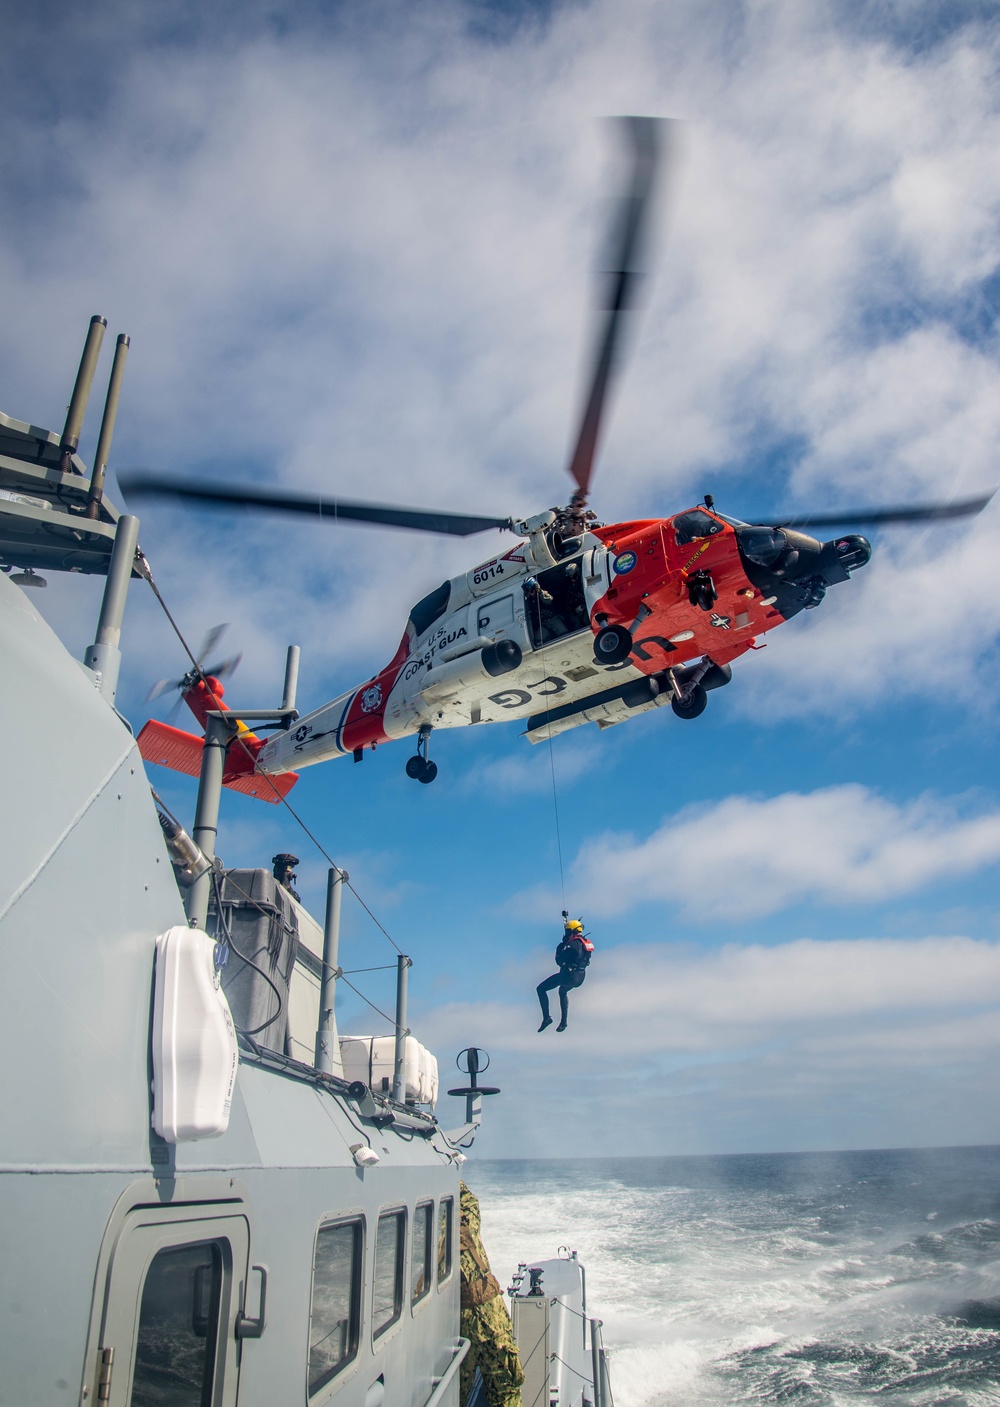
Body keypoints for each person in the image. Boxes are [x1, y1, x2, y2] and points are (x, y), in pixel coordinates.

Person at [537, 916, 593, 1032]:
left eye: (567, 931)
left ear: (571, 931)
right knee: (562, 991)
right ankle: (563, 1023)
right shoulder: (584, 944)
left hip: (569, 976)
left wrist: (561, 947)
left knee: (541, 989)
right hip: (580, 977)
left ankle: (546, 1018)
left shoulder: (571, 945)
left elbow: (559, 961)